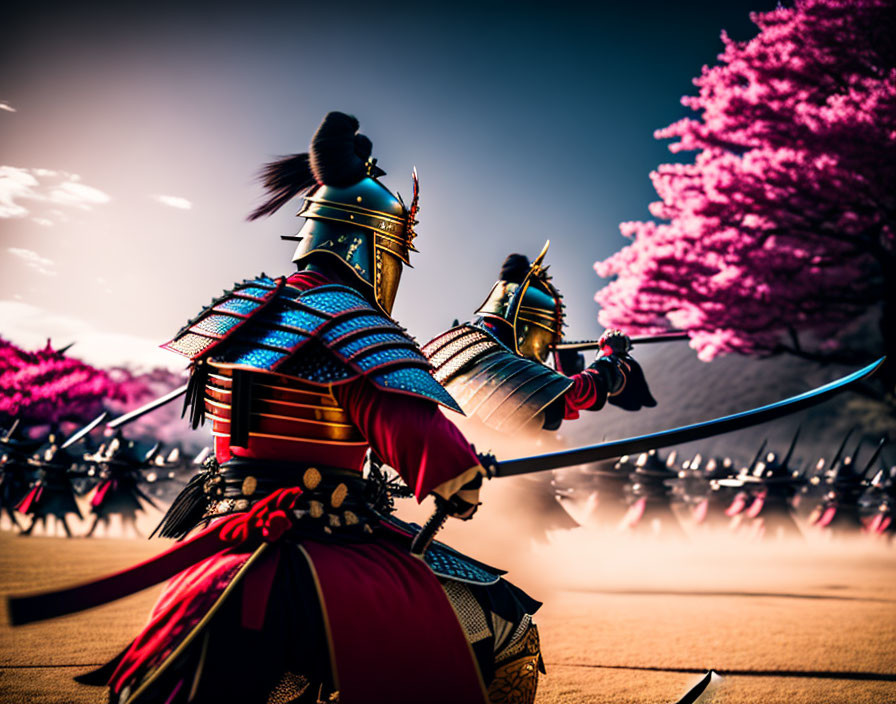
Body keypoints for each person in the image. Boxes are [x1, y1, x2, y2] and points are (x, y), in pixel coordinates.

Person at [9, 112, 541, 704]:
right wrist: (461, 475)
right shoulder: (350, 321)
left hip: (226, 530)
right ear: (376, 245)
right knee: (505, 621)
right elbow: (402, 419)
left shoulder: (241, 314)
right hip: (324, 542)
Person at [423, 242, 656, 433]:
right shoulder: (501, 359)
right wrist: (609, 359)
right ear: (529, 327)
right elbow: (570, 396)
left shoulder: (455, 342)